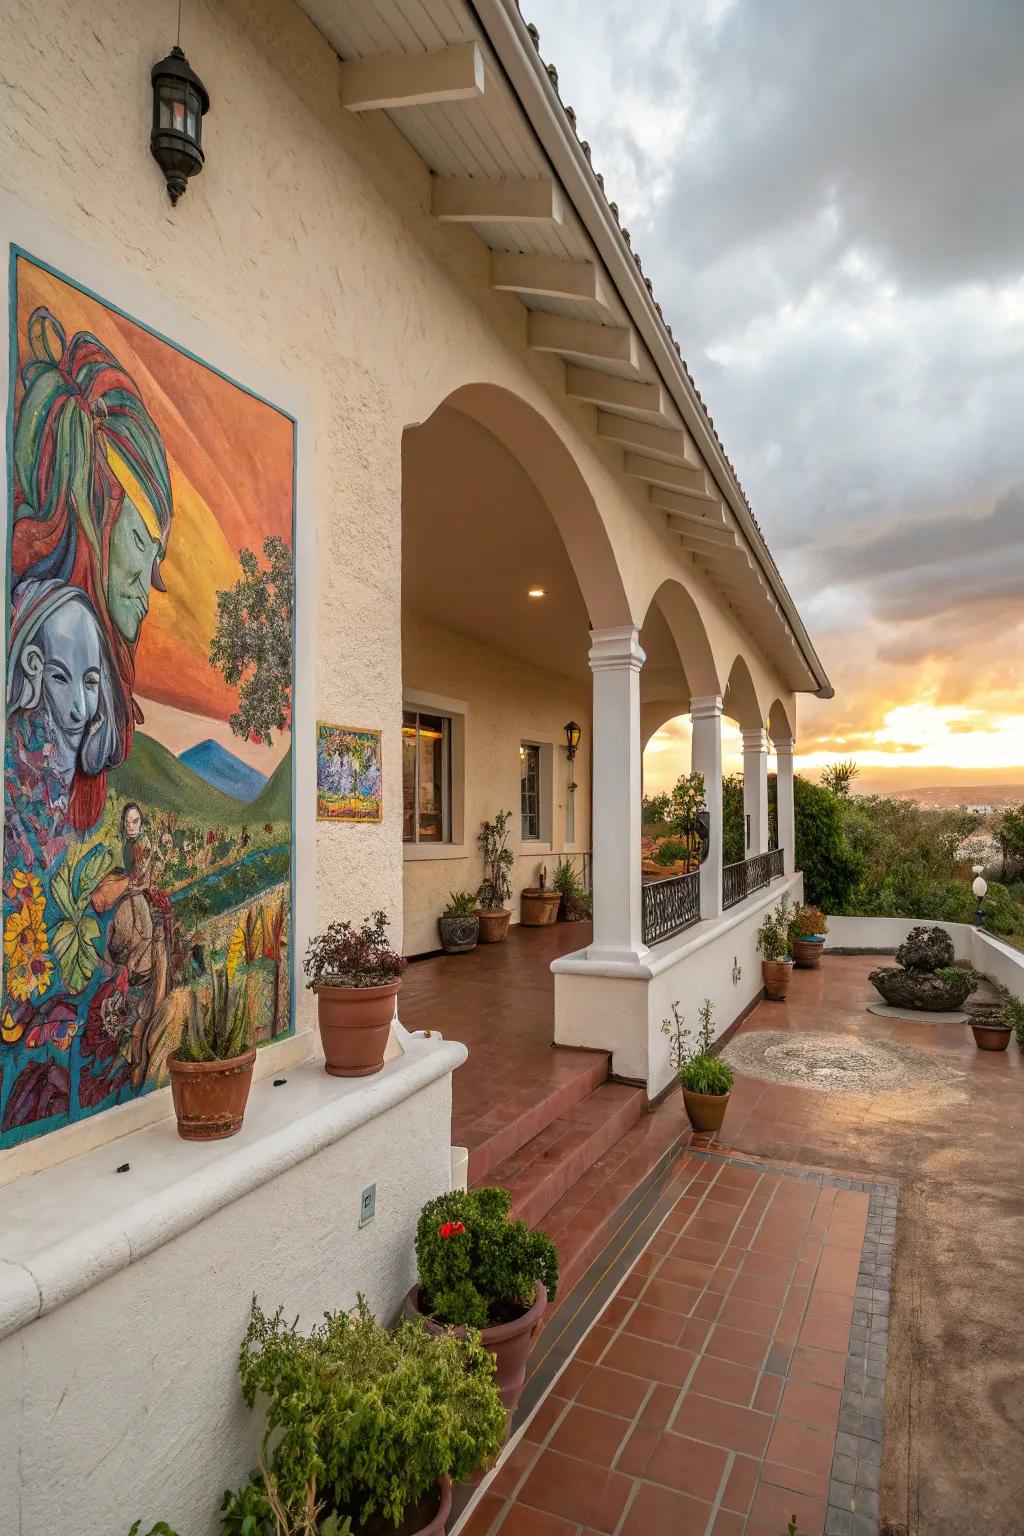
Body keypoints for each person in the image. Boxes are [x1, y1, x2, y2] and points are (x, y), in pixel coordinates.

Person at [10, 306, 174, 827]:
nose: (144, 591)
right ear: (97, 516)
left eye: (154, 568)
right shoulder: (56, 621)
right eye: (135, 540)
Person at [5, 579, 121, 860]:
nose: (79, 710)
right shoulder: (16, 774)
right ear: (34, 667)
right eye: (59, 677)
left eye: (91, 682)